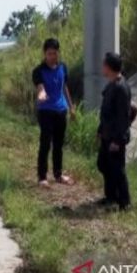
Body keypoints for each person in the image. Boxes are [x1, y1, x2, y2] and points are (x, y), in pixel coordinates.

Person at [32, 38, 76, 189]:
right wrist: (41, 94)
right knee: (45, 144)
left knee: (58, 145)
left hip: (61, 110)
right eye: (49, 53)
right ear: (45, 54)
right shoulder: (38, 71)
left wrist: (71, 107)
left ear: (58, 53)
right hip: (45, 112)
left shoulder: (63, 67)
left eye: (55, 53)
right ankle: (42, 176)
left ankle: (58, 174)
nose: (52, 56)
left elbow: (65, 88)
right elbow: (40, 87)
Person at [96, 52, 132, 211]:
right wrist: (100, 130)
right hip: (106, 134)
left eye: (104, 64)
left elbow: (123, 117)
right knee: (103, 164)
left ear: (109, 67)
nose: (102, 67)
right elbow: (106, 112)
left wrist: (118, 140)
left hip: (116, 137)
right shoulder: (111, 84)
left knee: (118, 169)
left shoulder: (121, 88)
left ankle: (124, 202)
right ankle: (110, 196)